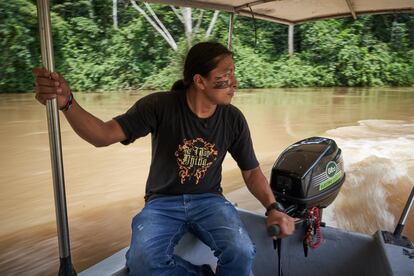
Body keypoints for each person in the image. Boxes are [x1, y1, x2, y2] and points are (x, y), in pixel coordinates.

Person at [33, 42, 295, 276]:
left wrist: (273, 208)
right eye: (224, 77)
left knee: (241, 251)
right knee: (143, 263)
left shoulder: (232, 118)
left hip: (210, 201)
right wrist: (67, 102)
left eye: (233, 74)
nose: (234, 82)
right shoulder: (159, 106)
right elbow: (102, 135)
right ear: (199, 81)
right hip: (162, 204)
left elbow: (251, 172)